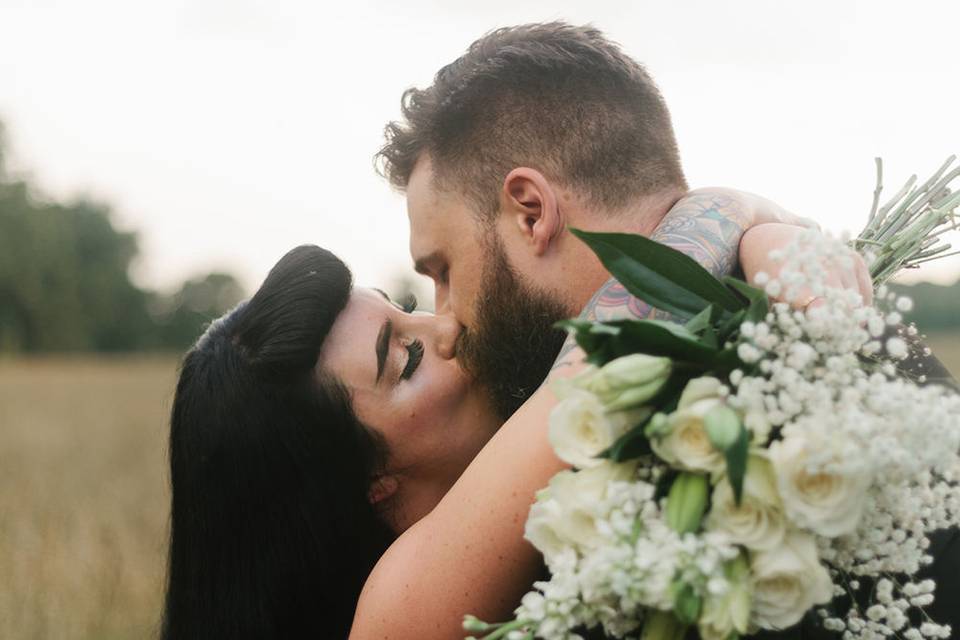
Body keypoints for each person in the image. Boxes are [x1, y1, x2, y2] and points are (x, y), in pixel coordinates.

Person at [161, 210, 835, 639]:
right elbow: (605, 355)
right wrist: (749, 219)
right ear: (368, 481)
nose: (448, 325)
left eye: (405, 307)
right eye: (407, 356)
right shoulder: (399, 615)